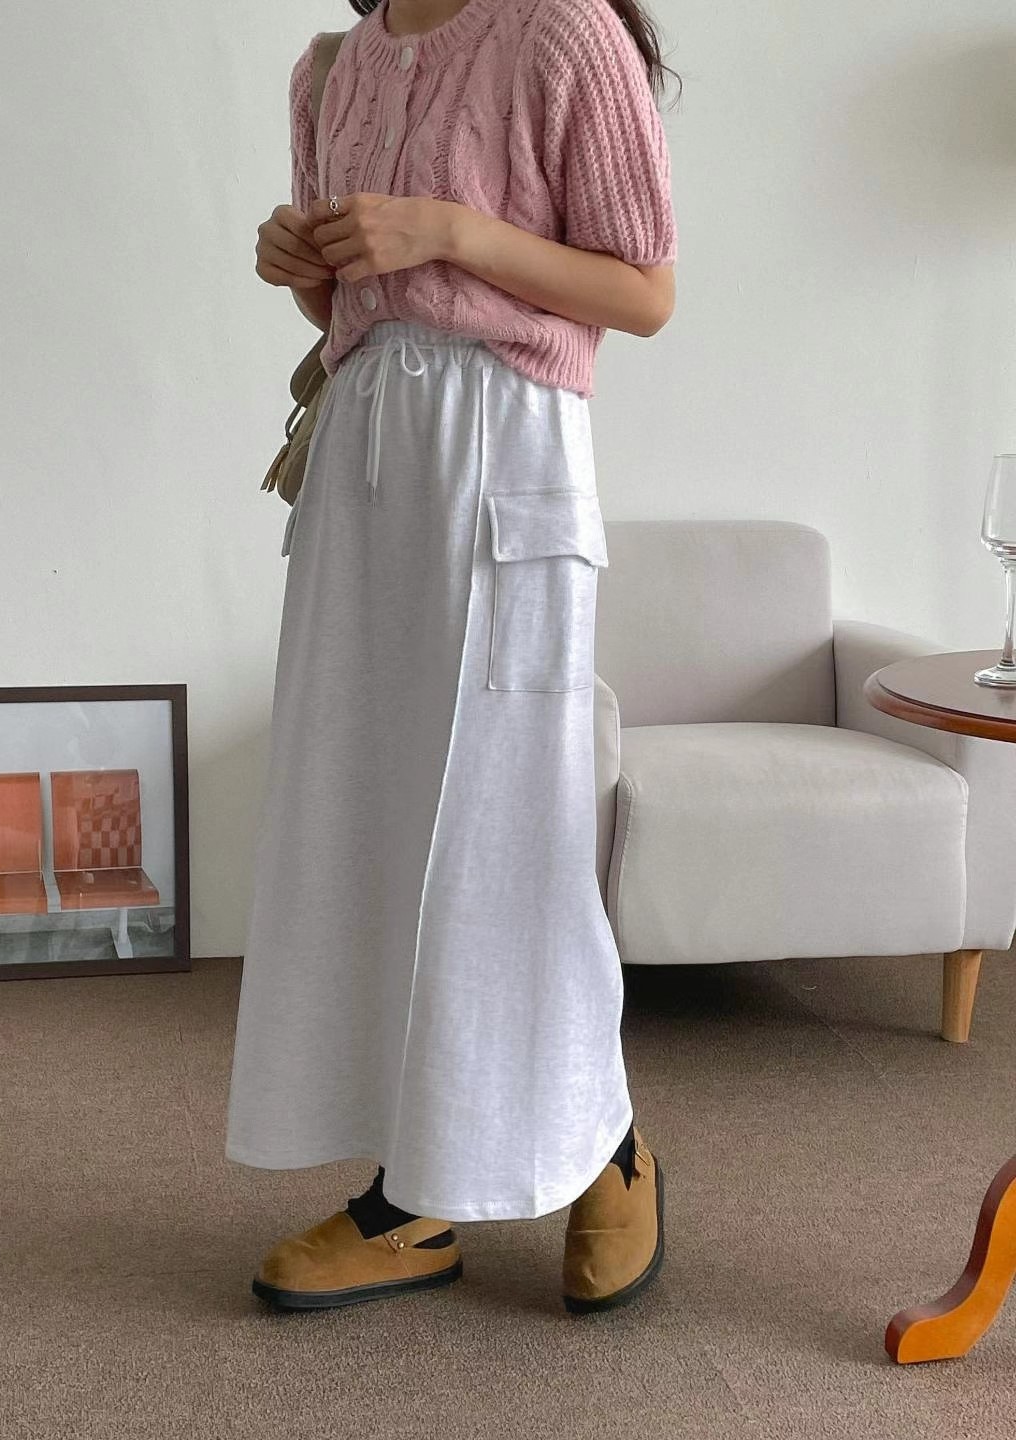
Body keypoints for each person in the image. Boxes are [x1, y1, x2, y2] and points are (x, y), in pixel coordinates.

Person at [225, 0, 679, 1315]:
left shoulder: (562, 32)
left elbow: (646, 292)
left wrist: (450, 230)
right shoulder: (333, 67)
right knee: (366, 826)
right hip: (365, 459)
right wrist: (301, 266)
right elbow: (350, 306)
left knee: (503, 834)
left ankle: (605, 1147)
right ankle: (415, 1195)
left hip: (507, 447)